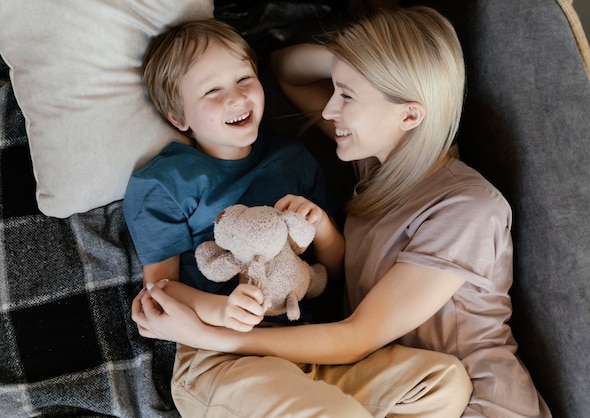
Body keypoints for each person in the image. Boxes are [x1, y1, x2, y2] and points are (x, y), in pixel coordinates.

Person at [125, 17, 472, 418]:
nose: (237, 98)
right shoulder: (164, 182)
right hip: (220, 362)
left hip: (309, 349)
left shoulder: (292, 159)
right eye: (212, 90)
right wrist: (221, 312)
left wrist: (322, 226)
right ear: (177, 118)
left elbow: (337, 268)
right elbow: (160, 294)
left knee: (445, 381)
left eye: (243, 79)